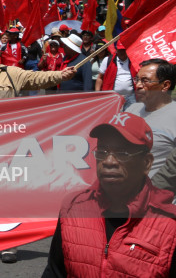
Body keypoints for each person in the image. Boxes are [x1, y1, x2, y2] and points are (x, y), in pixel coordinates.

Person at [42, 113, 176, 277]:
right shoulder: (73, 208)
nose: (109, 161)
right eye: (103, 151)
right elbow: (54, 272)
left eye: (122, 153)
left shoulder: (170, 226)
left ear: (146, 163)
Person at [124, 58, 176, 177]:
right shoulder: (132, 110)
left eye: (145, 81)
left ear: (165, 85)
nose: (138, 85)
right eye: (137, 79)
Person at [96, 41, 136, 108]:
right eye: (120, 50)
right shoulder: (107, 60)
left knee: (131, 116)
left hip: (132, 97)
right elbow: (99, 77)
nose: (122, 52)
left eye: (123, 50)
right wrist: (97, 94)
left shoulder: (133, 60)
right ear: (116, 50)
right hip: (112, 97)